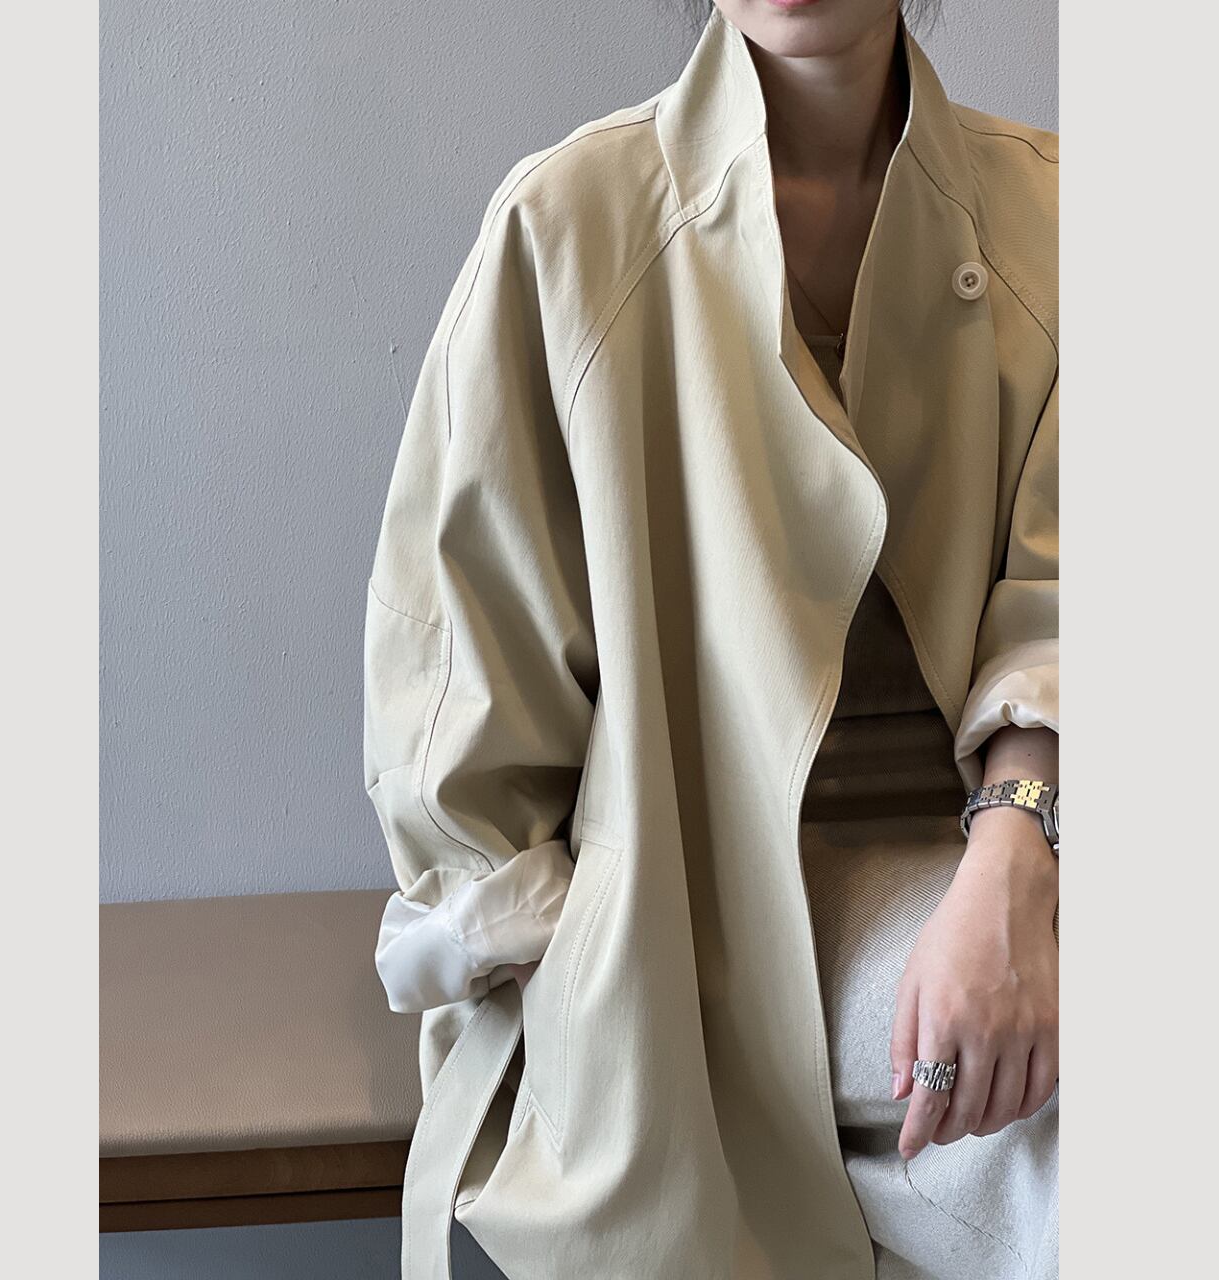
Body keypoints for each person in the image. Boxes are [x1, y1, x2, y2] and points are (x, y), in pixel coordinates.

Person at [363, 2, 1058, 1276]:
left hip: (1021, 842)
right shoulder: (568, 226)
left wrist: (1014, 854)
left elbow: (1079, 595)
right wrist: (573, 983)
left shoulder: (1057, 219)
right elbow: (462, 687)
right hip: (690, 905)